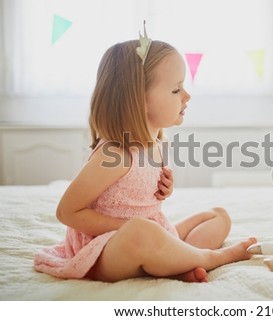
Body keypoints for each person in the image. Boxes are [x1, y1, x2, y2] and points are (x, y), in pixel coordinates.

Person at [34, 24, 256, 283]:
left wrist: (165, 188)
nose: (187, 96)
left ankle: (179, 261)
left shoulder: (157, 144)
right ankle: (207, 258)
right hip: (107, 250)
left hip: (155, 231)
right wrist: (125, 227)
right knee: (141, 233)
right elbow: (67, 212)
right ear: (138, 100)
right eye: (176, 90)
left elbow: (143, 195)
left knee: (218, 215)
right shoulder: (114, 153)